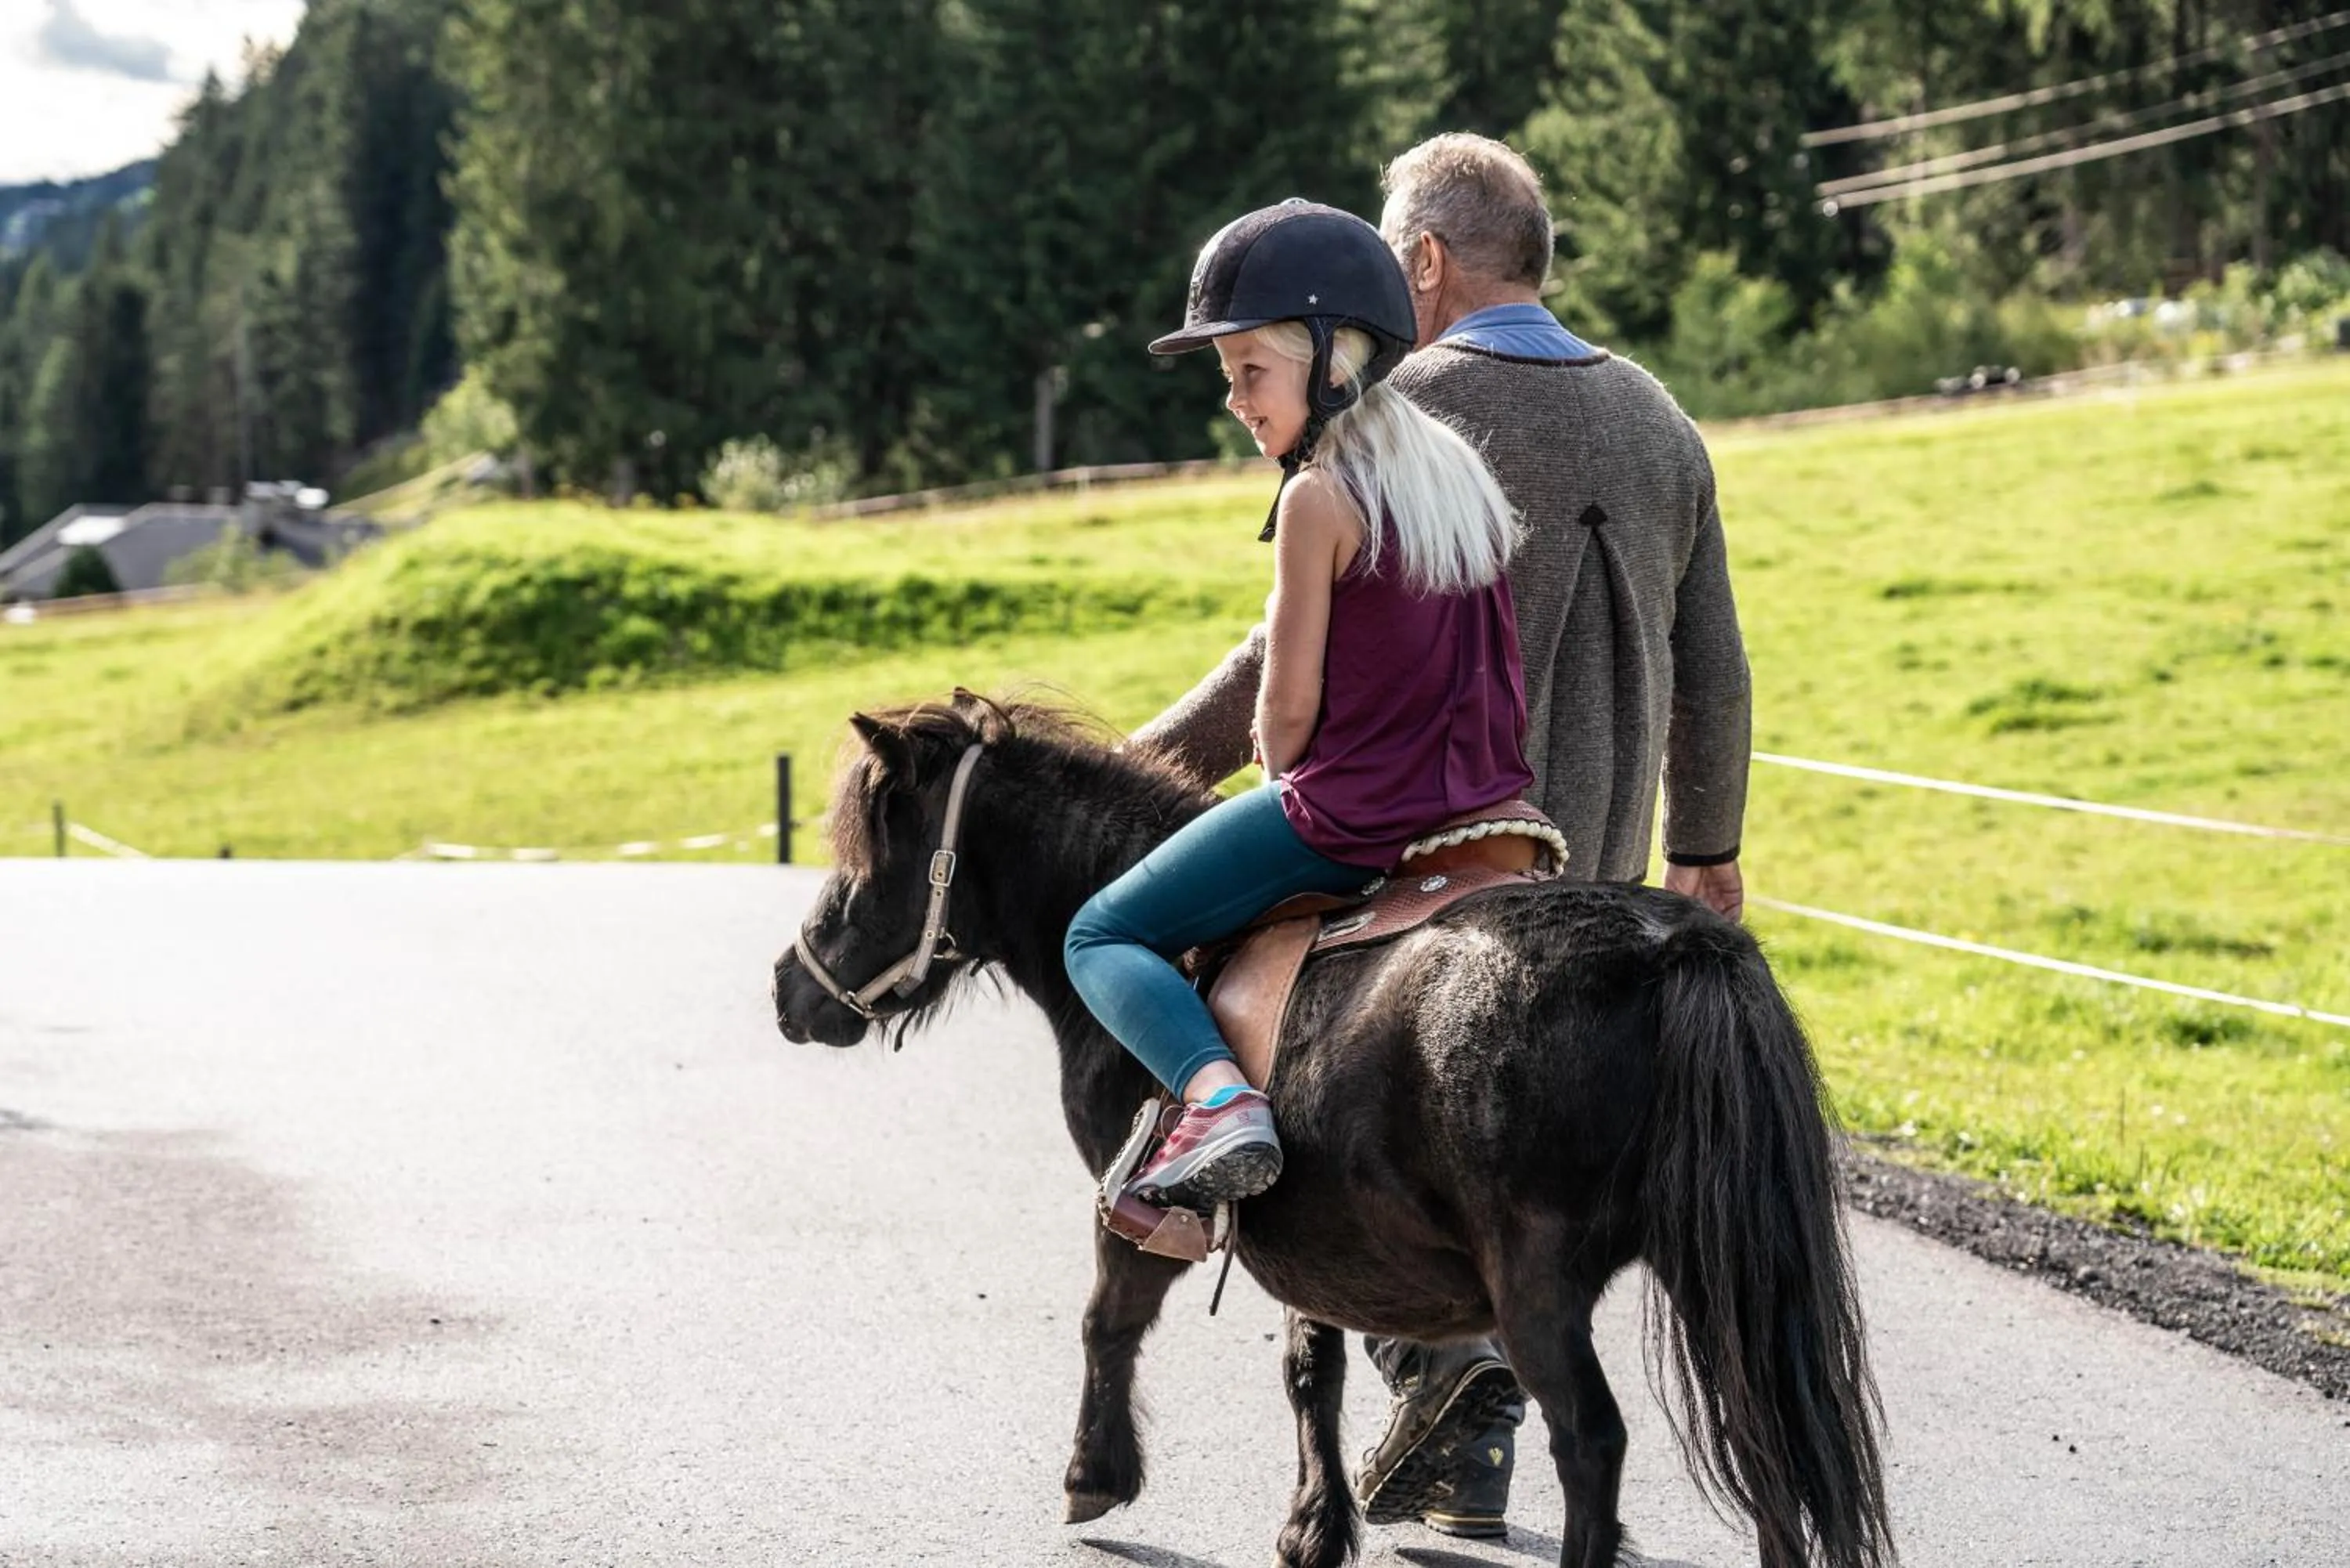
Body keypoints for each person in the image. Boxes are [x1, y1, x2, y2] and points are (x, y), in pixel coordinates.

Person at [1132, 135, 1753, 1539]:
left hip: (1431, 862)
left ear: (1417, 265)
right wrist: (1705, 852)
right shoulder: (1663, 418)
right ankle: (1477, 1401)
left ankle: (1243, 1243)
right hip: (1591, 871)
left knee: (1347, 1108)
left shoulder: (1399, 404)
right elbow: (1713, 663)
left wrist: (1138, 775)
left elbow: (1274, 668)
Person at [1062, 198, 1531, 1211]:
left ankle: (1217, 1096)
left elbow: (1282, 717)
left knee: (1098, 933)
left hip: (1353, 821)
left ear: (1330, 362)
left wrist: (1282, 788)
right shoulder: (1462, 479)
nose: (1234, 401)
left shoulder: (1319, 498)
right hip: (1494, 811)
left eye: (1248, 372)